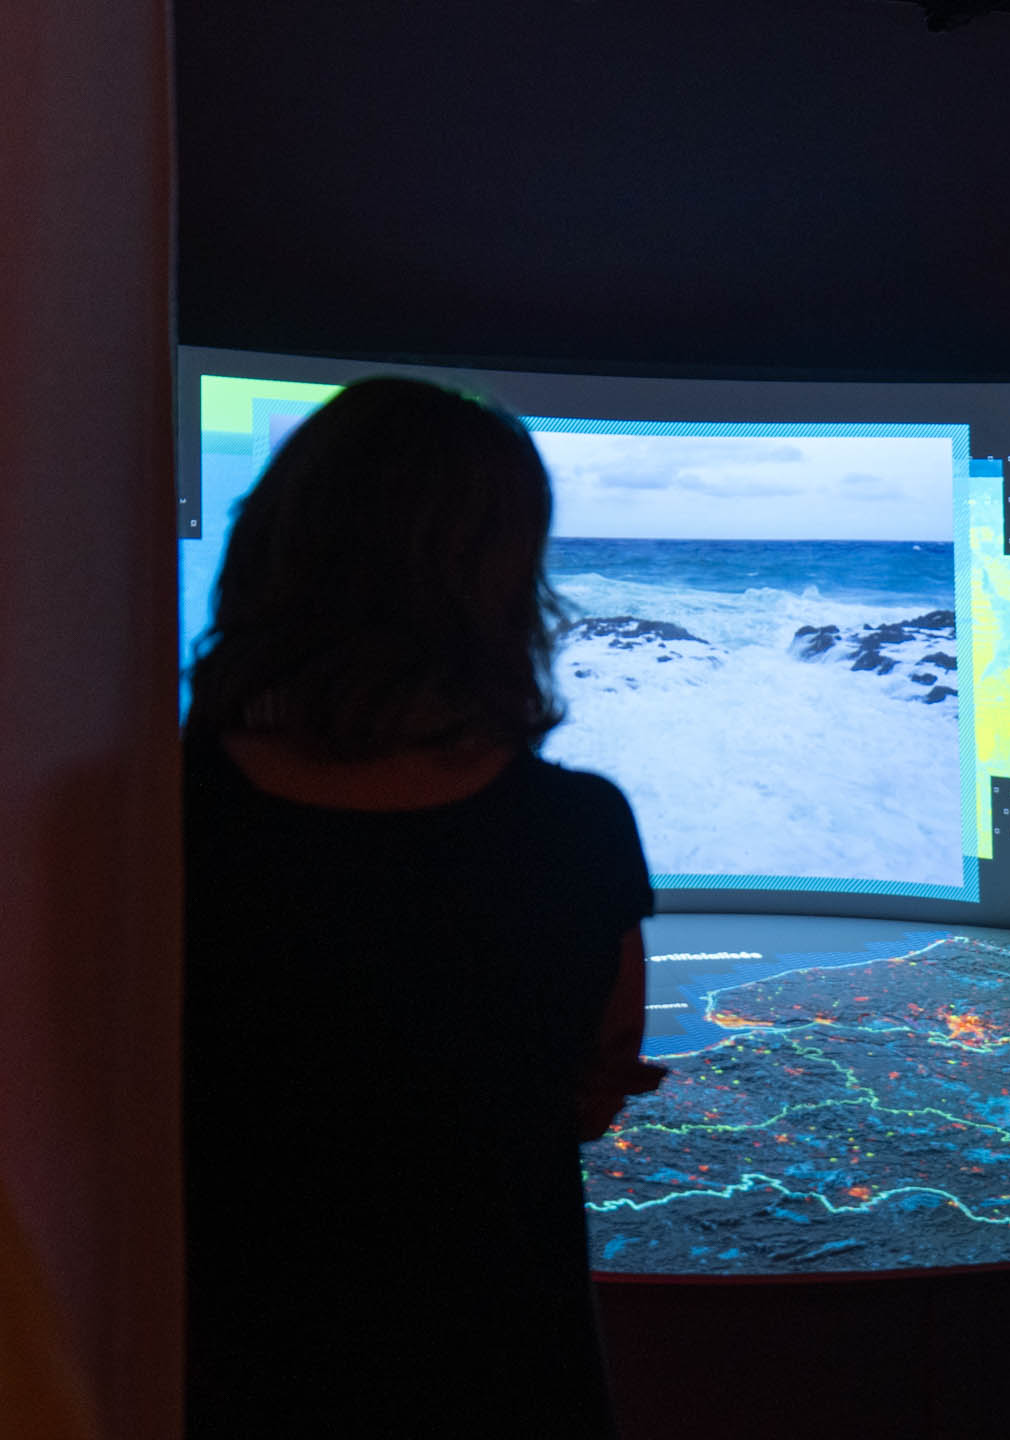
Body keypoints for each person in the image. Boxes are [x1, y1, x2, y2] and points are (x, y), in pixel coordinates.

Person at [181, 377, 664, 1438]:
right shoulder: (573, 831)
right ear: (502, 586)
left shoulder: (146, 821)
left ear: (273, 543)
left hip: (211, 1369)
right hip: (500, 1369)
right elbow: (594, 1086)